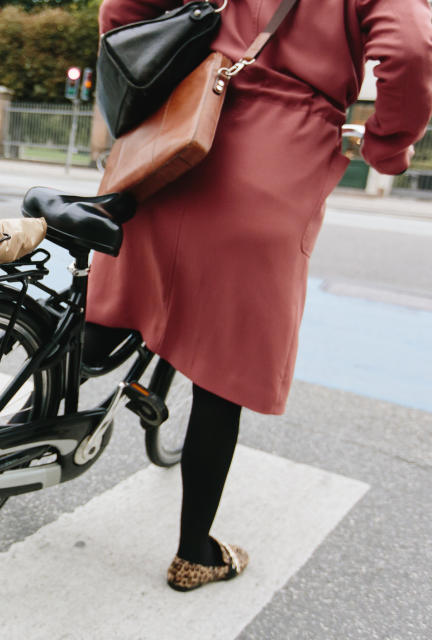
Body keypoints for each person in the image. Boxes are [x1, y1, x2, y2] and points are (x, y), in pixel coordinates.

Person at [86, 0, 432, 592]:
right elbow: (411, 50)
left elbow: (121, 10)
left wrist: (156, 77)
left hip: (174, 131)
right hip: (275, 159)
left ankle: (20, 429)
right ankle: (195, 551)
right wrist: (387, 144)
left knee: (113, 306)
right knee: (223, 375)